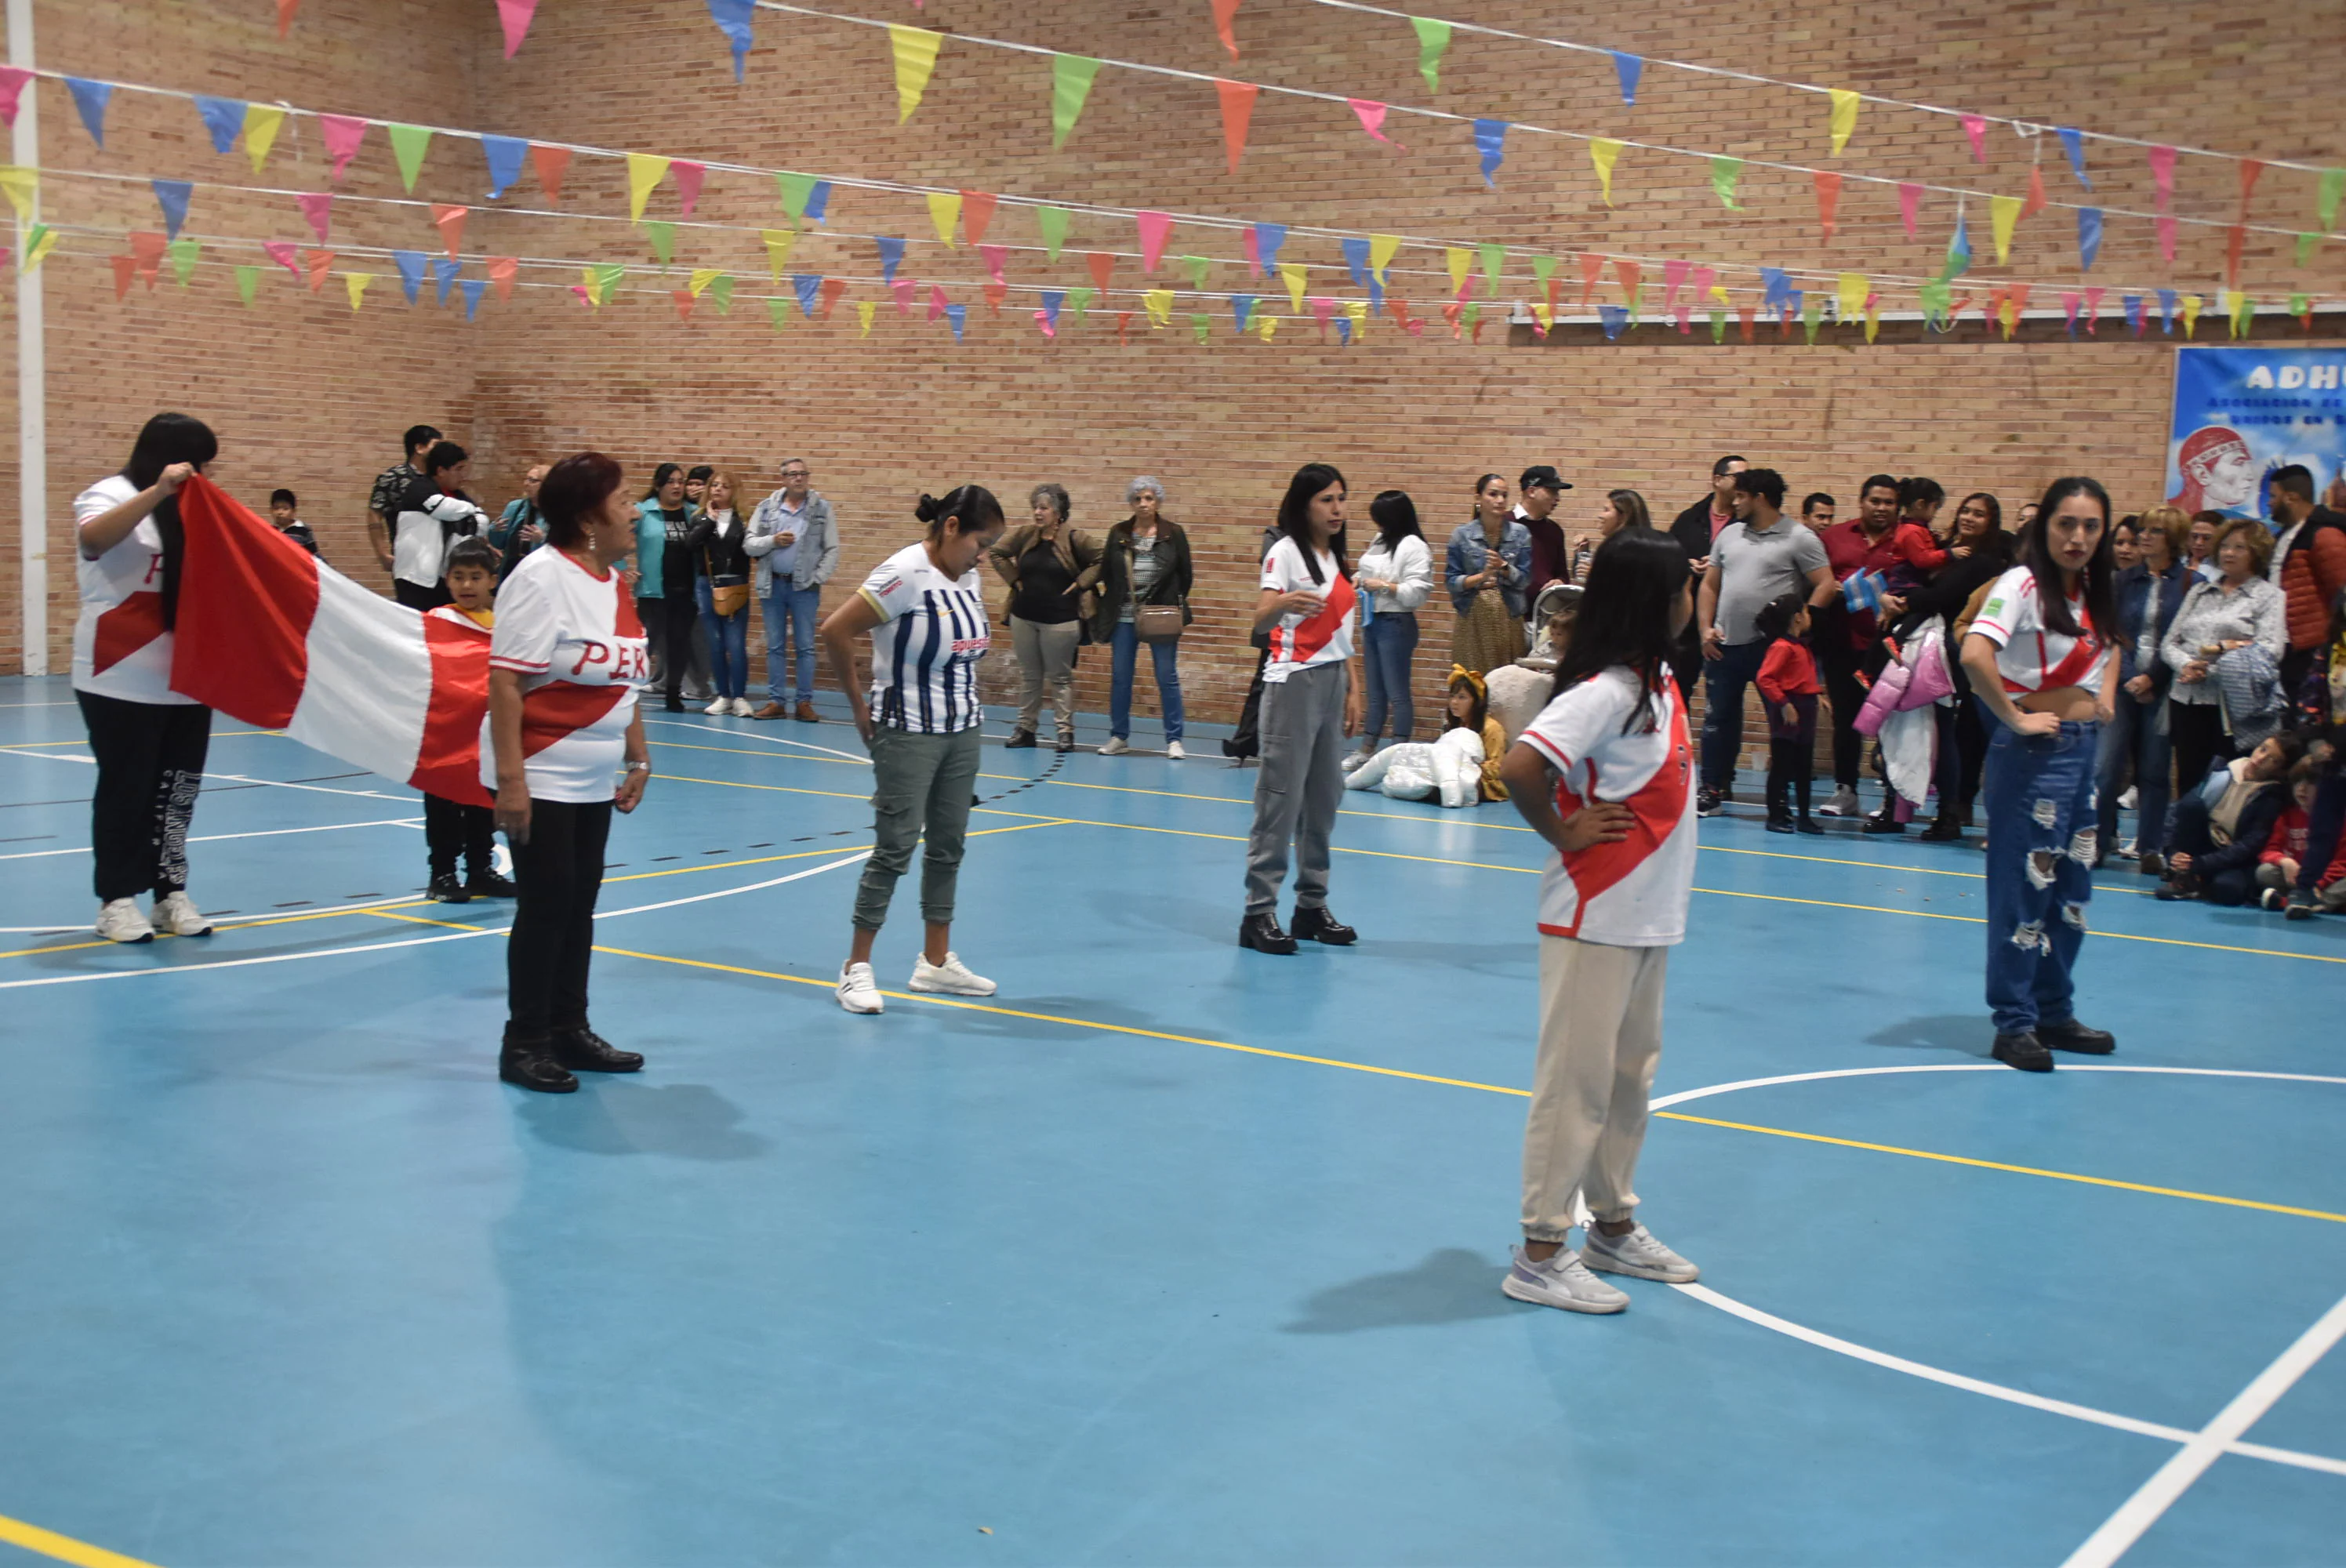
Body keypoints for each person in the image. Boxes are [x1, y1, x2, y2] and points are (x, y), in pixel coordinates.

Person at [1496, 525, 1700, 1313]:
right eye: (1684, 585)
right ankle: (1541, 1250)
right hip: (1593, 917)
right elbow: (1520, 766)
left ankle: (1610, 1223)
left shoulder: (1657, 682)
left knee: (1625, 1081)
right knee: (1573, 1086)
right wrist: (1563, 829)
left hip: (1647, 919)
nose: (1693, 597)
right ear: (1654, 601)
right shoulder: (1607, 691)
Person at [485, 451, 652, 1094]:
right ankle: (524, 1040)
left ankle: (568, 1028)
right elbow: (505, 682)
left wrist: (638, 756)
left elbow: (626, 678)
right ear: (588, 516)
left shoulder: (614, 583)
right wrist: (512, 782)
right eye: (624, 500)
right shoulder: (539, 577)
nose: (634, 512)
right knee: (546, 906)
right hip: (542, 771)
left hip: (593, 777)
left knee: (579, 903)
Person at [821, 486, 1007, 1014]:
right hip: (907, 731)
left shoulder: (967, 576)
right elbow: (836, 630)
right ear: (951, 527)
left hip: (962, 730)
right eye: (980, 541)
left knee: (949, 845)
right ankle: (854, 969)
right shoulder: (903, 574)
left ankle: (935, 961)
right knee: (895, 847)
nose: (984, 555)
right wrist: (859, 705)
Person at [1958, 477, 2122, 1074]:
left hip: (2084, 754)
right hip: (2034, 755)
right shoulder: (2020, 584)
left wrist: (2103, 692)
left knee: (2072, 892)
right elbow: (1975, 653)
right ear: (2044, 527)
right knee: (2025, 886)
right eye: (2066, 524)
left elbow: (2114, 647)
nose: (2078, 538)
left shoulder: (2094, 591)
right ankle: (2015, 1023)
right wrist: (2014, 718)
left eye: (2091, 527)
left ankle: (2054, 1009)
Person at [71, 412, 220, 944]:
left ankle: (170, 892)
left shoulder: (198, 507)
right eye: (196, 462)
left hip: (187, 677)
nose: (202, 473)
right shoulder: (109, 494)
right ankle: (116, 900)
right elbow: (94, 539)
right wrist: (158, 492)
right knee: (126, 790)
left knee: (177, 793)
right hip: (117, 675)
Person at [1240, 463, 1365, 954]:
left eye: (1342, 498)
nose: (1337, 509)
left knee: (1323, 799)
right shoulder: (1285, 552)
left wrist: (1354, 688)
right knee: (1280, 800)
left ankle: (1311, 907)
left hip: (1333, 679)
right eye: (1326, 500)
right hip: (1293, 683)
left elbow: (1342, 636)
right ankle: (1258, 913)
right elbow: (1259, 614)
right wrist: (1282, 602)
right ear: (1304, 504)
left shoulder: (1335, 556)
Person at [1695, 466, 1833, 815]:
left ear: (1760, 498)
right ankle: (1711, 788)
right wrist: (1704, 629)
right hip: (1724, 644)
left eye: (1740, 496)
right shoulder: (1729, 534)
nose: (1733, 502)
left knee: (1783, 722)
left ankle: (1781, 795)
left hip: (1771, 649)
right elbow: (1710, 585)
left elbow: (1826, 583)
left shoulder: (1799, 537)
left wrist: (1802, 626)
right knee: (1717, 719)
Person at [1883, 491, 2013, 841]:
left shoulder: (1985, 562)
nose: (1970, 518)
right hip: (1919, 644)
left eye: (1979, 515)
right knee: (1900, 723)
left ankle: (1948, 814)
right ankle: (1896, 808)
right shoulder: (1944, 552)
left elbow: (1941, 597)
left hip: (1947, 653)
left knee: (1943, 733)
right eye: (1966, 511)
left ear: (1991, 524)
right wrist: (1890, 595)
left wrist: (1901, 600)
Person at [2163, 517, 2286, 795]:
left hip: (2234, 708)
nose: (2229, 553)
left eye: (2240, 548)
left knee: (2225, 787)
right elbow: (2170, 642)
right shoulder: (2200, 590)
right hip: (2186, 699)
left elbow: (2270, 649)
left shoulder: (2269, 596)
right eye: (2226, 546)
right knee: (2188, 785)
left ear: (2257, 553)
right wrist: (2187, 664)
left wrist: (2213, 666)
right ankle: (2184, 839)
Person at [2095, 506, 2189, 869]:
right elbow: (2111, 633)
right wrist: (2132, 676)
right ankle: (2099, 840)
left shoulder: (2189, 583)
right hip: (2121, 682)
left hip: (2164, 686)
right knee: (2105, 766)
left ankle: (2150, 847)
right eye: (2143, 530)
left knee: (2154, 769)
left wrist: (2154, 679)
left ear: (2173, 539)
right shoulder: (2122, 580)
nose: (2143, 537)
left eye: (2155, 531)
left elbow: (2184, 637)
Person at [422, 539, 514, 902]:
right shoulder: (437, 621)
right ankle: (441, 874)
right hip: (444, 736)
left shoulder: (502, 626)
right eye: (458, 577)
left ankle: (480, 870)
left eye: (476, 577)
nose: (467, 586)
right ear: (447, 580)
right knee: (443, 807)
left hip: (487, 737)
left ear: (492, 581)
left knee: (482, 806)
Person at [1814, 474, 1910, 816]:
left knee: (1893, 723)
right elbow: (1816, 580)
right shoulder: (1834, 537)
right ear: (1862, 501)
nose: (1882, 508)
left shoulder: (1911, 539)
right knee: (1846, 720)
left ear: (1898, 507)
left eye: (1889, 503)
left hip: (1890, 649)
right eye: (1875, 501)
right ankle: (1846, 790)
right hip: (1841, 645)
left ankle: (1892, 797)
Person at [989, 482, 1101, 752]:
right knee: (1030, 676)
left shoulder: (1075, 537)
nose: (1038, 513)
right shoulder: (1026, 535)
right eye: (1035, 508)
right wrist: (1014, 580)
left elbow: (1104, 558)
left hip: (1062, 621)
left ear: (1058, 512)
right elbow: (996, 552)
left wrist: (1082, 583)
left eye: (1044, 508)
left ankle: (1065, 732)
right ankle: (1026, 729)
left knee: (1060, 678)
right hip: (1024, 617)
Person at [1094, 477, 1193, 759]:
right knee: (1121, 677)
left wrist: (1170, 603)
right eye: (1138, 499)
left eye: (1149, 498)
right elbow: (1109, 574)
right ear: (1131, 503)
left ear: (1158, 501)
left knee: (1167, 676)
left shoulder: (1173, 533)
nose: (1143, 504)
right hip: (1124, 615)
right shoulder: (1118, 533)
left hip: (1160, 614)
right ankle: (1119, 736)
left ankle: (1174, 740)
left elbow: (1186, 575)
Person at [2156, 731, 2304, 906]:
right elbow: (2178, 811)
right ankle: (2183, 876)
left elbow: (2248, 846)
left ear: (2281, 771)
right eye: (2262, 749)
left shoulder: (2271, 797)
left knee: (2228, 891)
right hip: (2202, 843)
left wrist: (2199, 864)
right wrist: (2172, 852)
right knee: (2191, 805)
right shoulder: (2223, 770)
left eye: (2273, 760)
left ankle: (2197, 876)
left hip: (2232, 857)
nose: (2261, 758)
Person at [746, 457, 840, 723]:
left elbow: (832, 549)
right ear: (783, 479)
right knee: (775, 646)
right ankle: (776, 701)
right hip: (772, 584)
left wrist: (817, 577)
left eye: (803, 474)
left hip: (804, 588)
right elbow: (750, 544)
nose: (799, 478)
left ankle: (804, 703)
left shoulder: (822, 509)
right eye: (793, 474)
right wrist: (772, 541)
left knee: (806, 647)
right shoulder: (766, 508)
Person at [1351, 488, 1435, 760]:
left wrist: (1385, 587)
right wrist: (1357, 578)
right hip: (1372, 620)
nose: (1378, 525)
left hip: (1396, 623)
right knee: (1375, 692)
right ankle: (1367, 748)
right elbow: (1369, 571)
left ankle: (1398, 751)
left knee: (1397, 693)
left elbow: (1418, 592)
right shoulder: (1380, 539)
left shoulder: (1414, 546)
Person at [1345, 667, 1507, 806]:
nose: (1454, 703)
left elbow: (1497, 768)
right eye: (1452, 696)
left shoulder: (1492, 729)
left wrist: (1468, 765)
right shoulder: (1453, 725)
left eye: (1462, 697)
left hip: (1482, 780)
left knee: (1464, 783)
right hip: (1452, 770)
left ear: (1477, 701)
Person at [2264, 464, 2346, 695]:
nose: (2269, 502)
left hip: (2312, 651)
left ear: (2291, 498)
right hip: (2284, 646)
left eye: (2273, 496)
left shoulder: (2325, 535)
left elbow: (2342, 592)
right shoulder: (2284, 535)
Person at [1669, 457, 1744, 699]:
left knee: (1724, 693)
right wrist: (1686, 564)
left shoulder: (1746, 522)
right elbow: (1669, 556)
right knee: (1679, 688)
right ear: (1718, 480)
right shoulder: (1690, 518)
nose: (1746, 483)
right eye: (1739, 477)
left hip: (1729, 619)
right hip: (1688, 620)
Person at [629, 463, 699, 712]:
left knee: (679, 644)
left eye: (681, 481)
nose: (677, 486)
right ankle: (628, 691)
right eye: (671, 481)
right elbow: (619, 537)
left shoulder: (694, 513)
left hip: (685, 592)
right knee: (644, 644)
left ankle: (673, 694)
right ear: (658, 485)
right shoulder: (643, 512)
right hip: (653, 590)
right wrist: (623, 568)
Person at [1752, 592, 1823, 834]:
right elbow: (1765, 678)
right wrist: (1784, 704)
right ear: (1797, 618)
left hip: (1806, 707)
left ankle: (1804, 817)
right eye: (1806, 611)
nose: (1809, 616)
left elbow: (1802, 678)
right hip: (1790, 710)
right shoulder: (1782, 647)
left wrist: (1817, 695)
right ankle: (1775, 815)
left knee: (1804, 766)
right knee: (1782, 766)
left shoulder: (1800, 646)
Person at [1448, 474, 1531, 676]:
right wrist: (1480, 578)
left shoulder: (1520, 533)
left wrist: (1504, 567)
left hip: (1508, 616)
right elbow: (1451, 581)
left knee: (1506, 681)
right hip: (1473, 617)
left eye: (1504, 495)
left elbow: (1526, 580)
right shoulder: (1462, 535)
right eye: (1493, 494)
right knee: (1472, 681)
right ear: (1478, 498)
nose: (1500, 500)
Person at [390, 441, 487, 611]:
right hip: (415, 577)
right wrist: (471, 512)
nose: (463, 476)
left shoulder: (459, 495)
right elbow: (442, 509)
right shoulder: (418, 487)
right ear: (441, 471)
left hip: (444, 577)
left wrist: (471, 516)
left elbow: (482, 524)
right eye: (458, 469)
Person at [1487, 581, 1580, 745]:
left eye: (1560, 634)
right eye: (1552, 633)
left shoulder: (1576, 653)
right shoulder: (1546, 647)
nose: (1554, 637)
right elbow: (1532, 659)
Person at [694, 470, 755, 717]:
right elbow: (691, 544)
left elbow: (752, 551)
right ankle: (723, 695)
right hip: (706, 585)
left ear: (734, 491)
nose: (718, 489)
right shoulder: (699, 518)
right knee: (715, 644)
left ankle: (739, 696)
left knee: (736, 644)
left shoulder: (745, 520)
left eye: (725, 486)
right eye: (715, 485)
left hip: (736, 585)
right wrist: (710, 520)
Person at [367, 423, 441, 581]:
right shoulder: (393, 477)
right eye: (436, 446)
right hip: (407, 556)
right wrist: (382, 553)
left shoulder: (439, 478)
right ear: (420, 448)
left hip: (439, 554)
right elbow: (374, 512)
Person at [2258, 758, 2324, 911]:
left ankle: (2289, 902)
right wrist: (2285, 861)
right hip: (2296, 877)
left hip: (2324, 880)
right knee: (2265, 872)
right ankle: (2308, 901)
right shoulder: (2287, 817)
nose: (2301, 788)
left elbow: (2341, 863)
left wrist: (2321, 882)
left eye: (2310, 783)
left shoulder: (2335, 818)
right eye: (2297, 782)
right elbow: (2268, 852)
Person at [1515, 464, 1574, 598]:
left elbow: (1562, 574)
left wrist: (1560, 582)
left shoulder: (1555, 531)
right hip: (1507, 615)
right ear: (1531, 492)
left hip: (1543, 614)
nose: (1558, 498)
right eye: (1552, 491)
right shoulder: (1504, 524)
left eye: (1558, 492)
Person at [489, 463, 547, 584]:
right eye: (527, 479)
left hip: (539, 576)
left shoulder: (557, 513)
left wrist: (541, 540)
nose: (526, 484)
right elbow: (499, 544)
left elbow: (563, 549)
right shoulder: (515, 507)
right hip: (510, 573)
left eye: (533, 480)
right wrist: (495, 530)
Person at [267, 489, 318, 556]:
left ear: (293, 511)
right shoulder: (269, 531)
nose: (280, 512)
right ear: (271, 511)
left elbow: (314, 556)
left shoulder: (303, 531)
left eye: (285, 509)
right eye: (276, 508)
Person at [2184, 510, 2223, 582]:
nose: (2199, 542)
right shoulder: (2175, 563)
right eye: (2194, 536)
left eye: (2207, 538)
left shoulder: (2225, 570)